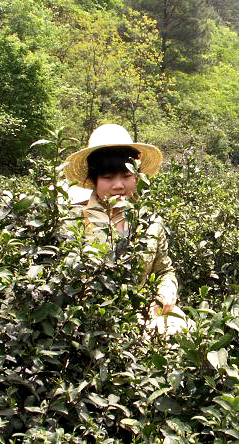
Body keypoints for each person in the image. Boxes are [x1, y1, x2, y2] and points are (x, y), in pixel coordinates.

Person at [63, 123, 184, 333]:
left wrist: (166, 289)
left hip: (141, 316)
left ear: (137, 176)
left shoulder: (150, 222)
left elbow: (165, 270)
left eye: (126, 176)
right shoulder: (74, 220)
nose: (118, 185)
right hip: (90, 324)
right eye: (108, 177)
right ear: (94, 180)